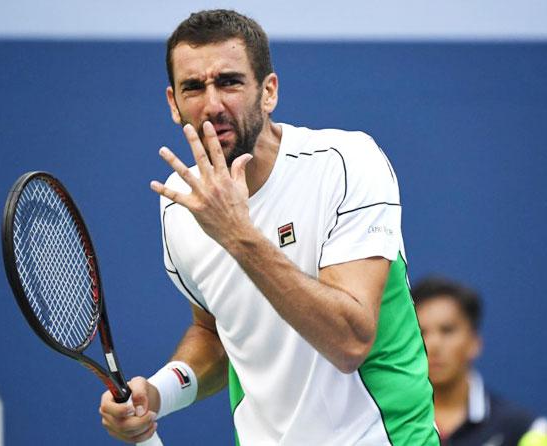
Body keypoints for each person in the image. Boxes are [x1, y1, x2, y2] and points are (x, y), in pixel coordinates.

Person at [99, 9, 439, 445]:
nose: (212, 104)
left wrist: (237, 234)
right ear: (173, 103)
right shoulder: (179, 205)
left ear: (268, 92)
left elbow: (350, 341)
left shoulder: (346, 164)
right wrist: (157, 393)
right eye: (193, 87)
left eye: (229, 82)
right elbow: (217, 333)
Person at [413, 276, 547, 446]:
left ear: (474, 342)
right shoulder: (389, 422)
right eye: (421, 332)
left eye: (447, 330)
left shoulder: (523, 428)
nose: (433, 345)